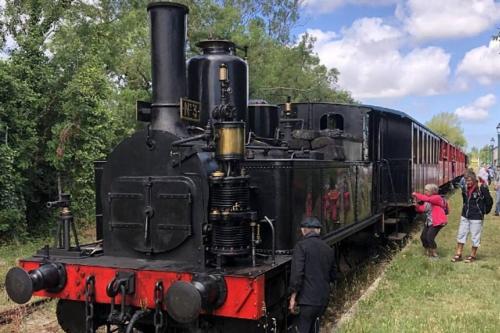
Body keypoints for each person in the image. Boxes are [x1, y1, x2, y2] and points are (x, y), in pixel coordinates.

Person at [289, 217, 337, 333]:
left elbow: (297, 275)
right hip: (323, 301)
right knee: (315, 328)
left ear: (303, 231)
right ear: (318, 231)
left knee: (303, 328)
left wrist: (293, 297)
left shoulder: (301, 247)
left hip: (307, 301)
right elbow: (333, 275)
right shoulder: (328, 249)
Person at [451, 171, 493, 263]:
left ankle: (472, 255)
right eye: (466, 181)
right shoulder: (465, 188)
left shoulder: (482, 188)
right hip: (465, 215)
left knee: (475, 236)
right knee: (461, 234)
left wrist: (484, 211)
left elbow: (489, 201)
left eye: (469, 180)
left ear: (474, 179)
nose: (468, 183)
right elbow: (465, 199)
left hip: (476, 216)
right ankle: (458, 254)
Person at [412, 184, 448, 258]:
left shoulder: (437, 198)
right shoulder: (428, 200)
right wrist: (417, 206)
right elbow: (423, 209)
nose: (425, 192)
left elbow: (427, 199)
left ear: (433, 191)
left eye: (427, 190)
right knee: (423, 237)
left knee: (430, 237)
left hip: (437, 221)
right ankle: (428, 251)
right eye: (425, 190)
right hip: (429, 221)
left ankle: (435, 255)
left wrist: (416, 194)